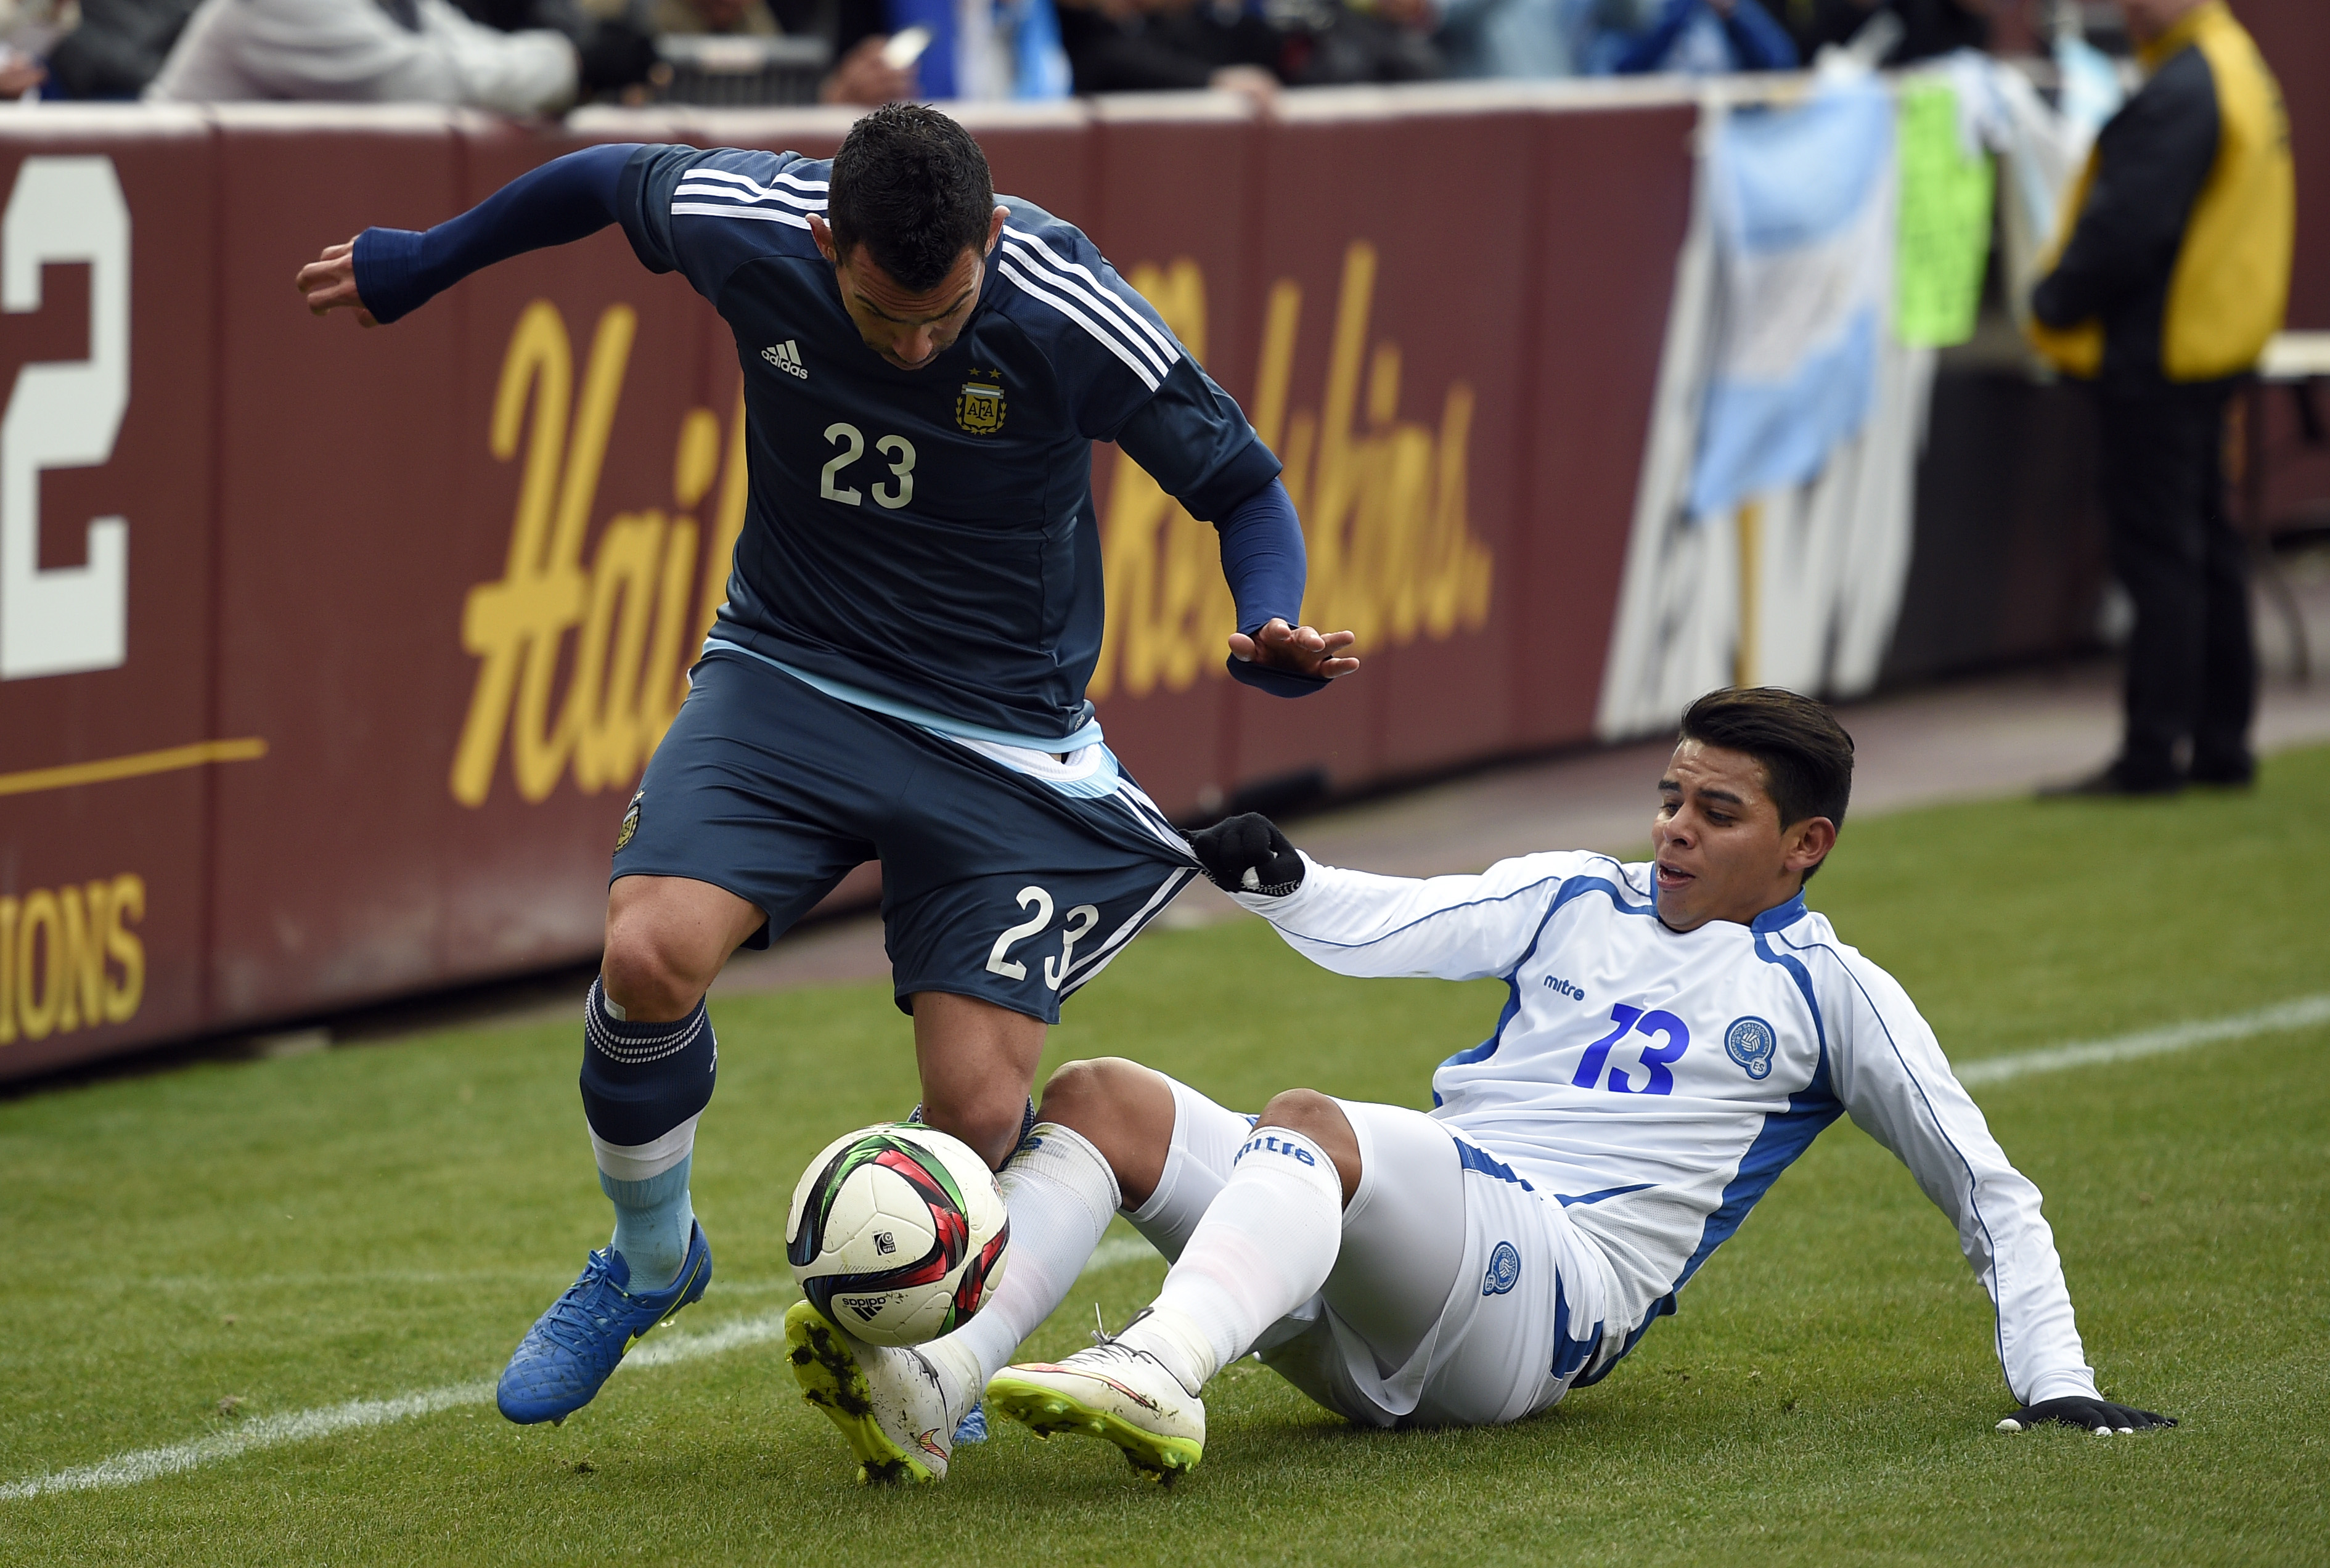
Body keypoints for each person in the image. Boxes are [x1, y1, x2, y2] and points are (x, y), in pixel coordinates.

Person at [295, 104, 1355, 1448]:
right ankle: (646, 1255)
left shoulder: (1065, 298)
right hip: (792, 676)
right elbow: (600, 178)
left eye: (945, 313)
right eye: (880, 316)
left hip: (1002, 737)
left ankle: (930, 1337)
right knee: (648, 953)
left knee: (976, 1105)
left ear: (988, 241)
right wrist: (424, 259)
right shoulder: (750, 227)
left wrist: (1272, 615)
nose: (915, 344)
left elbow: (1247, 490)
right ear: (822, 243)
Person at [787, 686, 2172, 1482]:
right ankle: (937, 1382)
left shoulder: (1834, 994)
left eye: (1718, 813)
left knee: (1317, 1128)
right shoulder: (1578, 893)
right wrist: (1290, 881)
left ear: (1806, 845)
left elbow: (1988, 1192)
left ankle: (1156, 1367)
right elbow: (1407, 921)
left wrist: (2056, 1384)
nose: (1676, 829)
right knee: (1101, 1099)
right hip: (1393, 1265)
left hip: (1544, 1307)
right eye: (1672, 797)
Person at [2028, 0, 2292, 796]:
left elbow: (2129, 226)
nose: (2125, 8)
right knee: (2205, 547)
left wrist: (2054, 299)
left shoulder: (2189, 82)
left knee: (2164, 556)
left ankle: (2154, 752)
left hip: (2163, 354)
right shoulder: (2232, 62)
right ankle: (2220, 743)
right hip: (2207, 347)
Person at [148, 0, 656, 110]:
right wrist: (577, 64)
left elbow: (476, 52)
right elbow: (434, 84)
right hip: (166, 236)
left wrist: (574, 60)